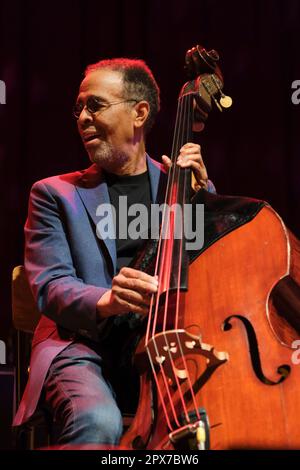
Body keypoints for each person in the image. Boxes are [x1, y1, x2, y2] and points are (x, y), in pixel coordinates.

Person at [13, 58, 214, 447]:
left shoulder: (183, 188)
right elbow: (49, 285)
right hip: (82, 346)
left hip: (163, 349)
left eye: (95, 105)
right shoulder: (54, 194)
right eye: (79, 108)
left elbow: (215, 275)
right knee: (98, 421)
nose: (83, 118)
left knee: (217, 419)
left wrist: (205, 200)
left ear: (139, 113)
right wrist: (107, 299)